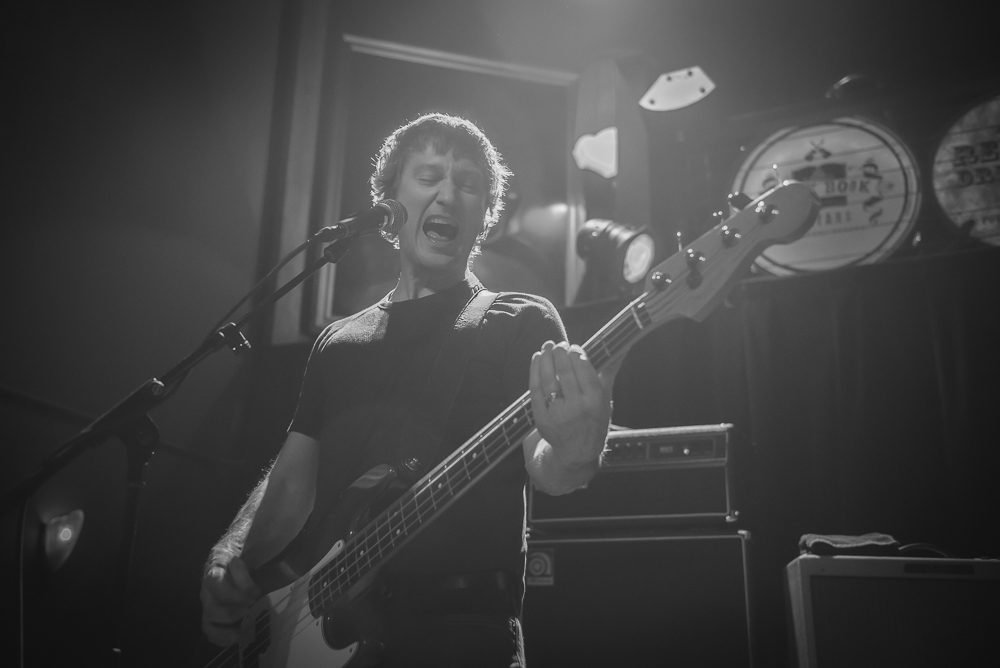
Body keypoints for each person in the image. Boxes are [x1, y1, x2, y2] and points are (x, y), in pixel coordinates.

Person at [199, 113, 615, 666]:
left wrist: (578, 448)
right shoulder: (338, 343)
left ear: (482, 215)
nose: (448, 193)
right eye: (428, 176)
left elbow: (549, 470)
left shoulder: (521, 322)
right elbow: (290, 487)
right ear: (389, 205)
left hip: (461, 635)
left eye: (468, 184)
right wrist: (232, 559)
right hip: (319, 637)